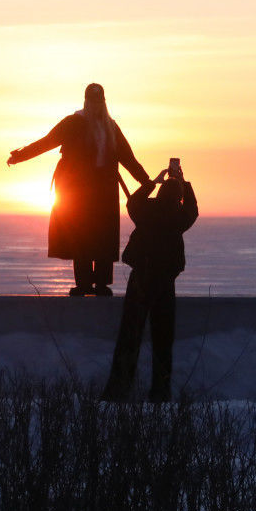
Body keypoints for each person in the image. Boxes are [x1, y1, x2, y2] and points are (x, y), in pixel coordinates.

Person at [7, 83, 150, 296]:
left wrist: (144, 180)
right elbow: (48, 142)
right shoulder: (73, 122)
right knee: (81, 238)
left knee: (103, 239)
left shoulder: (111, 126)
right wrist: (21, 155)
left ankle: (101, 285)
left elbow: (127, 157)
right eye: (92, 101)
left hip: (104, 193)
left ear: (103, 102)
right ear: (86, 101)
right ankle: (83, 284)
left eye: (99, 101)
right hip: (78, 194)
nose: (96, 105)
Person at [101, 161, 198, 402]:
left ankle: (119, 389)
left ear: (161, 191)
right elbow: (193, 210)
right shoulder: (178, 217)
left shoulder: (146, 211)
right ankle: (160, 392)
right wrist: (184, 183)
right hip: (165, 282)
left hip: (141, 278)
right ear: (178, 198)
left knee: (130, 335)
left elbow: (132, 202)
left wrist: (152, 183)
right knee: (163, 339)